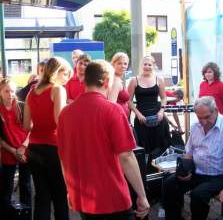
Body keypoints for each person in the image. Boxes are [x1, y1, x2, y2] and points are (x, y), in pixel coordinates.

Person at [57, 60, 150, 220]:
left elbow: (63, 157)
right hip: (112, 198)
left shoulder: (65, 113)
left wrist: (69, 190)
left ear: (85, 80)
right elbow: (127, 156)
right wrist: (142, 195)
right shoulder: (112, 110)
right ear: (107, 81)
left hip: (83, 198)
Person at [162, 96, 223, 220]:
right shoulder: (196, 126)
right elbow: (189, 153)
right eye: (200, 118)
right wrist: (186, 171)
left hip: (219, 176)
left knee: (198, 195)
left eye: (207, 117)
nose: (204, 122)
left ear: (216, 110)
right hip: (197, 172)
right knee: (169, 183)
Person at [24, 57, 72, 220]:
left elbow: (26, 125)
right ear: (56, 72)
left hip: (34, 148)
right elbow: (60, 121)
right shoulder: (58, 90)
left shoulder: (32, 91)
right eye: (65, 73)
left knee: (42, 196)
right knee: (60, 196)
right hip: (54, 148)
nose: (67, 78)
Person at [0, 78, 31, 220]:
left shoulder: (22, 106)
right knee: (7, 187)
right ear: (0, 92)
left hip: (24, 150)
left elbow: (31, 130)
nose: (10, 94)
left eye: (12, 91)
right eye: (6, 91)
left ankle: (27, 215)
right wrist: (13, 151)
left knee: (26, 185)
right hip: (8, 152)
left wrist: (23, 147)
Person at [127, 55, 169, 155]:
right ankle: (146, 170)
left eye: (149, 64)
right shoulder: (134, 80)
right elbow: (128, 100)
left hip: (158, 118)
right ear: (141, 66)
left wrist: (161, 112)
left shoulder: (159, 79)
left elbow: (164, 98)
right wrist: (138, 114)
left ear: (153, 66)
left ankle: (159, 169)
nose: (147, 66)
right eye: (145, 64)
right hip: (142, 119)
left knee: (160, 148)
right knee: (143, 150)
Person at [108, 52, 130, 117]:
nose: (123, 66)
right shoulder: (115, 81)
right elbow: (111, 104)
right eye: (119, 63)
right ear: (113, 64)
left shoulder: (118, 79)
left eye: (125, 64)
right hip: (118, 119)